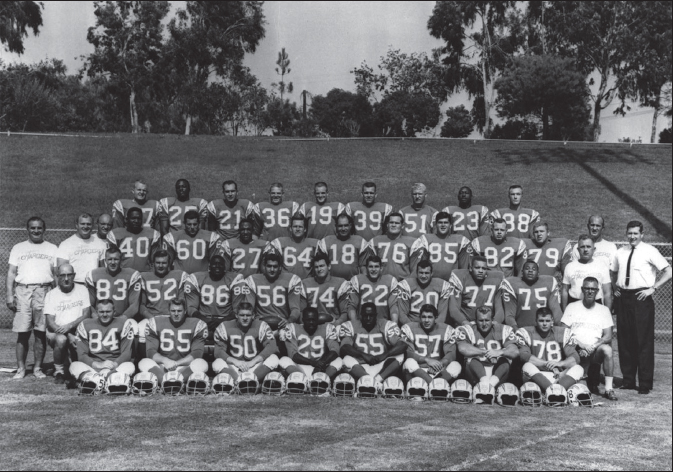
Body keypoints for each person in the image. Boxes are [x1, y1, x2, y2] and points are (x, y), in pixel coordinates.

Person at [610, 220, 672, 395]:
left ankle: (644, 383)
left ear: (642, 234)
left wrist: (653, 288)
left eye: (636, 233)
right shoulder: (620, 252)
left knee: (643, 341)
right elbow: (613, 271)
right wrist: (616, 288)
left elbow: (669, 271)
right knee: (624, 339)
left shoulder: (650, 250)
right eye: (630, 233)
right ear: (626, 233)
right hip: (624, 298)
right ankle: (628, 380)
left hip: (641, 297)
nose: (632, 236)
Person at [6, 216, 58, 380]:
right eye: (33, 228)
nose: (36, 231)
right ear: (27, 229)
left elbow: (56, 274)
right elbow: (11, 274)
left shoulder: (52, 248)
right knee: (23, 333)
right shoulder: (18, 248)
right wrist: (9, 295)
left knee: (40, 333)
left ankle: (37, 368)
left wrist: (56, 296)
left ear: (44, 229)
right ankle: (21, 368)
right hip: (23, 291)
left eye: (39, 228)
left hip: (44, 291)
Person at [560, 277, 617, 400]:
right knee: (580, 387)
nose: (590, 291)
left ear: (597, 291)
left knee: (607, 350)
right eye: (587, 288)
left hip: (593, 350)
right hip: (574, 349)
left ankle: (608, 388)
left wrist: (592, 346)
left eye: (593, 289)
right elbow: (563, 332)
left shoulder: (604, 310)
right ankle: (581, 379)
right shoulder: (572, 306)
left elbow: (608, 335)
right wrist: (580, 345)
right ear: (582, 289)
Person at [138, 298, 209, 392]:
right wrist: (165, 360)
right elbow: (151, 352)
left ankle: (167, 382)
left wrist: (176, 363)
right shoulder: (156, 323)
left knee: (201, 363)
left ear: (185, 311)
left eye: (179, 311)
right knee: (144, 362)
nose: (176, 314)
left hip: (185, 367)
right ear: (169, 311)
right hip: (164, 367)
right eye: (173, 311)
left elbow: (197, 354)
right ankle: (174, 382)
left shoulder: (196, 324)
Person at [69, 299, 137, 391]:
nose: (104, 314)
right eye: (101, 312)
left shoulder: (124, 323)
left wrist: (114, 364)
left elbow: (126, 353)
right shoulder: (85, 324)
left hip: (114, 366)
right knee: (75, 365)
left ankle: (93, 381)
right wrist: (98, 365)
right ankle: (112, 381)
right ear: (96, 312)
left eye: (108, 311)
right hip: (94, 367)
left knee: (129, 365)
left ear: (114, 312)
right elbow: (81, 355)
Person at [212, 302, 280, 390]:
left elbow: (271, 347)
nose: (245, 318)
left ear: (253, 316)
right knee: (217, 363)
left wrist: (253, 362)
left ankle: (245, 381)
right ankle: (244, 382)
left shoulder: (261, 326)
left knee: (274, 358)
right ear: (236, 315)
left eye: (248, 315)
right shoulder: (225, 326)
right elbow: (218, 351)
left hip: (254, 366)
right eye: (242, 315)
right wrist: (236, 362)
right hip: (234, 367)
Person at [340, 302, 407, 388]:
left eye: (371, 315)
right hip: (360, 367)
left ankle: (374, 381)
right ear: (360, 315)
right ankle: (375, 384)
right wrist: (363, 355)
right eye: (365, 315)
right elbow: (344, 347)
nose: (368, 318)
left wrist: (385, 354)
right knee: (346, 359)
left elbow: (402, 345)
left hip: (380, 366)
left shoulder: (386, 325)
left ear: (376, 315)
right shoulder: (351, 325)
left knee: (399, 355)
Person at [516, 307, 583, 392]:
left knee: (578, 368)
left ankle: (554, 390)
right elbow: (524, 356)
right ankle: (555, 391)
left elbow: (575, 357)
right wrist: (547, 364)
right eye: (541, 320)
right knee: (527, 366)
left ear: (552, 321)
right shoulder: (526, 332)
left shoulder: (563, 333)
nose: (544, 324)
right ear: (536, 321)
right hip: (538, 375)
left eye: (547, 321)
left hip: (559, 376)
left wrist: (560, 364)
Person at [44, 263, 91, 386]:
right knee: (61, 340)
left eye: (69, 275)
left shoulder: (82, 289)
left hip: (76, 330)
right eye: (62, 275)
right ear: (57, 277)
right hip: (57, 332)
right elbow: (50, 323)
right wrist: (68, 334)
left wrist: (70, 328)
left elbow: (86, 314)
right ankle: (59, 372)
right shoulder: (51, 295)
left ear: (74, 275)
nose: (66, 278)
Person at [455, 306, 519, 388]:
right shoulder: (468, 329)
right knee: (470, 358)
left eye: (487, 320)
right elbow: (463, 348)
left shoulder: (503, 329)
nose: (484, 324)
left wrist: (499, 352)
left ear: (492, 320)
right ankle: (485, 383)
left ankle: (490, 385)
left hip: (496, 372)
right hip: (476, 372)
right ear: (475, 320)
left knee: (506, 358)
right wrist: (487, 353)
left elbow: (515, 351)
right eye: (481, 320)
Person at [401, 304, 461, 387]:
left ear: (435, 318)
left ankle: (431, 385)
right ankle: (435, 387)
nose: (426, 320)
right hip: (417, 370)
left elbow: (451, 354)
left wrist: (439, 364)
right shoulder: (409, 328)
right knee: (409, 362)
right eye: (423, 317)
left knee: (456, 365)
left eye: (430, 317)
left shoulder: (446, 329)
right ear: (419, 317)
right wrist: (427, 360)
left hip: (437, 372)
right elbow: (408, 353)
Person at [237, 253, 304, 327]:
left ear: (280, 267)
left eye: (275, 266)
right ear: (264, 267)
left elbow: (295, 309)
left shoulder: (291, 280)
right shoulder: (253, 280)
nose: (272, 269)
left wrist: (289, 321)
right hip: (259, 322)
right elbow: (249, 307)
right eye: (269, 266)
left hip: (282, 323)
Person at [279, 307, 343, 382]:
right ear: (303, 320)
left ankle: (321, 380)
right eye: (308, 320)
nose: (311, 322)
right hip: (300, 367)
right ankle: (303, 380)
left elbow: (335, 350)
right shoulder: (293, 328)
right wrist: (313, 363)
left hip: (321, 368)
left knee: (339, 360)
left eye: (313, 320)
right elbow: (293, 355)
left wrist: (322, 363)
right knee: (284, 360)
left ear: (318, 320)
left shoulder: (327, 328)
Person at [184, 255, 243, 334]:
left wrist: (222, 321)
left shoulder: (234, 279)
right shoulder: (197, 279)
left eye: (220, 264)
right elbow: (191, 308)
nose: (217, 266)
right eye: (214, 264)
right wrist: (204, 319)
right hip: (203, 320)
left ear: (225, 267)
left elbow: (237, 309)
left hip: (227, 322)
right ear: (209, 266)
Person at [409, 211, 471, 281]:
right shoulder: (426, 240)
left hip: (452, 283)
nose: (443, 225)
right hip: (431, 282)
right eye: (440, 222)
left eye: (446, 223)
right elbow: (419, 266)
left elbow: (464, 268)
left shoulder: (460, 241)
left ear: (450, 225)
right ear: (435, 224)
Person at [85, 245, 142, 320]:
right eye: (109, 259)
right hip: (100, 319)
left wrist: (121, 319)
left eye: (116, 259)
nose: (112, 262)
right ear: (105, 260)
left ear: (121, 260)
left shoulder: (131, 275)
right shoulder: (93, 275)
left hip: (123, 319)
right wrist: (97, 318)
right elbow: (89, 304)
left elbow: (134, 305)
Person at [501, 260, 562, 329]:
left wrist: (562, 328)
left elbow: (556, 312)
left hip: (544, 330)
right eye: (527, 268)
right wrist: (516, 330)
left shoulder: (549, 283)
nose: (530, 271)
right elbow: (509, 315)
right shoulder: (512, 284)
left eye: (533, 269)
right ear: (522, 272)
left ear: (538, 273)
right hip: (522, 329)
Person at [138, 250, 190, 331]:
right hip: (152, 316)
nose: (160, 265)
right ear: (153, 263)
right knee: (140, 329)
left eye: (164, 263)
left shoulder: (179, 275)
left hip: (173, 317)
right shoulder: (144, 277)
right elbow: (142, 305)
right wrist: (151, 318)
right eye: (158, 263)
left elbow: (182, 301)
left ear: (169, 263)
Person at [448, 256, 504, 325]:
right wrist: (465, 323)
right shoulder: (461, 278)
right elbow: (454, 309)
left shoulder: (496, 279)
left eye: (484, 268)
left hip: (487, 324)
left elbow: (500, 309)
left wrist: (495, 323)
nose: (480, 271)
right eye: (477, 268)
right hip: (466, 323)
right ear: (471, 268)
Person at [163, 210, 222, 274]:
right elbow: (167, 263)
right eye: (189, 224)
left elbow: (214, 262)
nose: (192, 227)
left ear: (199, 223)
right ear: (184, 224)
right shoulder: (172, 238)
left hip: (201, 278)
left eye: (195, 224)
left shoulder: (210, 237)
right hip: (180, 277)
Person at [562, 234, 612, 310]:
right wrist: (565, 311)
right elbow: (564, 291)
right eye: (582, 247)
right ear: (578, 249)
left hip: (596, 304)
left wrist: (607, 313)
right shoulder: (570, 266)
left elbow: (607, 293)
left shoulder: (602, 266)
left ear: (594, 249)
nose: (585, 250)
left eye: (588, 247)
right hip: (574, 304)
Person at [263, 213, 318, 279]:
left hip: (306, 283)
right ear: (290, 229)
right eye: (295, 226)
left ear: (305, 229)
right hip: (285, 282)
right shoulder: (280, 243)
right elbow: (265, 262)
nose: (297, 229)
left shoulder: (314, 244)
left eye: (300, 227)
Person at [56, 213, 107, 284]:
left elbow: (103, 268)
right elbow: (61, 271)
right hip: (74, 285)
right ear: (77, 225)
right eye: (82, 224)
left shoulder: (100, 243)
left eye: (88, 224)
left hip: (93, 284)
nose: (85, 226)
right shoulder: (66, 244)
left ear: (92, 225)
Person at [365, 212, 418, 280]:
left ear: (402, 226)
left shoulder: (412, 243)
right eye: (391, 222)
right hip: (381, 282)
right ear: (387, 225)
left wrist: (407, 284)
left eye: (397, 223)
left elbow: (415, 268)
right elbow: (367, 265)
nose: (393, 225)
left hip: (402, 283)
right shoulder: (376, 241)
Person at [347, 256, 400, 323]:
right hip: (363, 324)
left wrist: (394, 323)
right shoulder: (357, 280)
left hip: (383, 323)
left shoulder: (390, 281)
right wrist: (354, 325)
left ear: (381, 268)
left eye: (376, 266)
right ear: (366, 268)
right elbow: (352, 306)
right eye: (370, 266)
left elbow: (393, 306)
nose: (373, 269)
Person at [107, 207, 161, 272]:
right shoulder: (115, 234)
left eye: (139, 219)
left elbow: (155, 259)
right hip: (123, 275)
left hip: (145, 274)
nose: (136, 221)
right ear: (126, 220)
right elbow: (111, 259)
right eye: (133, 218)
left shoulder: (152, 234)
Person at [396, 260, 452, 324]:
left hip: (433, 325)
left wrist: (432, 329)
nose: (423, 276)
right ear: (416, 273)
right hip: (412, 324)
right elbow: (402, 315)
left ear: (431, 273)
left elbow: (442, 316)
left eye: (426, 273)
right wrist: (412, 329)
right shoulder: (406, 285)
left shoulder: (442, 286)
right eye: (421, 273)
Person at [316, 213, 368, 279]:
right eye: (340, 226)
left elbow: (363, 267)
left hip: (352, 282)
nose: (343, 229)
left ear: (350, 225)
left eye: (346, 225)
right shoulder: (326, 241)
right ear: (336, 226)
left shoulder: (360, 241)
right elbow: (320, 266)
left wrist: (361, 282)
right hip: (332, 283)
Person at [302, 253, 350, 325]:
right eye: (316, 267)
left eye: (322, 266)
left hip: (333, 324)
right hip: (312, 325)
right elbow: (301, 311)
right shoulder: (305, 284)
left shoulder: (340, 283)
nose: (319, 269)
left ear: (329, 266)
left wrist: (337, 323)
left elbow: (345, 312)